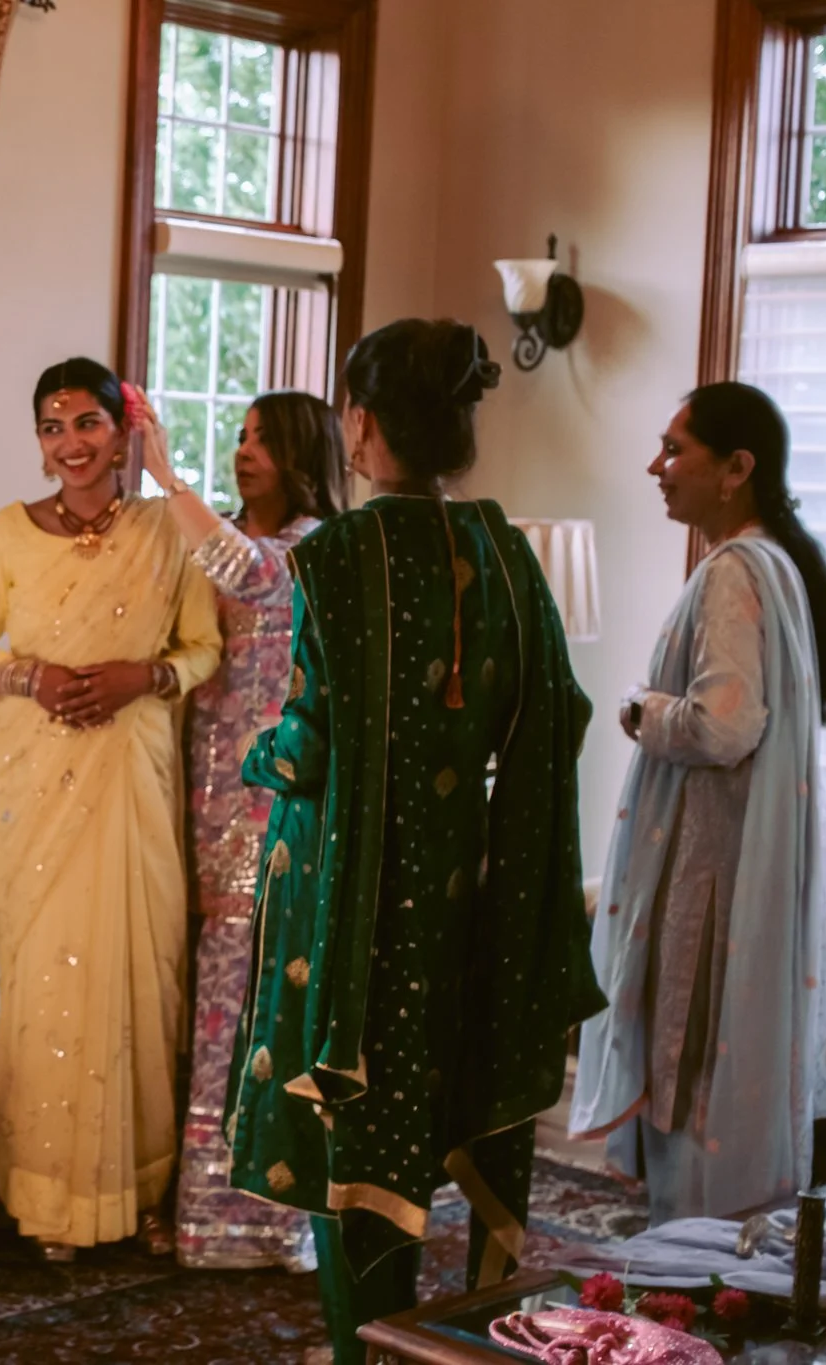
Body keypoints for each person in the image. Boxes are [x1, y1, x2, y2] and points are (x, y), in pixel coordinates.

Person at [223, 319, 605, 1363]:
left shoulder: (336, 554)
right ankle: (479, 1347)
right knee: (450, 1110)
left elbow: (306, 747)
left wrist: (255, 756)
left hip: (354, 916)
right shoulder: (503, 548)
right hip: (473, 899)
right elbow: (557, 715)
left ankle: (367, 1351)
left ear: (360, 420)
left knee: (358, 1150)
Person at [0, 357, 222, 1260]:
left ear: (123, 431)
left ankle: (141, 1194)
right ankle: (52, 1199)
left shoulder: (163, 530)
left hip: (131, 774)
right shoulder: (8, 534)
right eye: (53, 427)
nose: (71, 444)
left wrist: (143, 676)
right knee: (49, 981)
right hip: (34, 780)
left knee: (139, 973)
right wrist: (37, 676)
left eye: (88, 425)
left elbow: (203, 648)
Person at [571, 382, 826, 1224]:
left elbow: (725, 725)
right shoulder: (776, 565)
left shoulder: (735, 572)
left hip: (713, 871)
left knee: (693, 1070)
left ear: (737, 469)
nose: (657, 466)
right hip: (729, 862)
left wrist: (636, 708)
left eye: (675, 448)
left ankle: (688, 1271)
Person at [155, 391, 346, 1273]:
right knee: (203, 1003)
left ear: (303, 451)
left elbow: (246, 568)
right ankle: (191, 1206)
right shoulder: (215, 535)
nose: (245, 452)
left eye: (263, 440)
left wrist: (162, 472)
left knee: (256, 1006)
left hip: (272, 813)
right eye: (239, 436)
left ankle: (263, 1221)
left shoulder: (313, 547)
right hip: (193, 798)